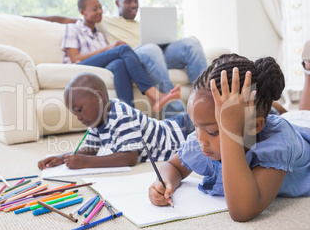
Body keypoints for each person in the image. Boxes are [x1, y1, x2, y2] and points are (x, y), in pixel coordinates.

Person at [148, 53, 310, 222]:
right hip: (286, 122)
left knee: (309, 116)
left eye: (214, 131)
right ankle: (280, 107)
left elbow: (243, 211)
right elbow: (174, 166)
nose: (200, 139)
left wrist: (229, 130)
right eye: (196, 126)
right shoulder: (205, 138)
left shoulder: (277, 144)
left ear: (254, 126)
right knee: (295, 115)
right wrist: (165, 181)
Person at [37, 72, 195, 170]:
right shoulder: (96, 120)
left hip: (183, 131)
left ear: (98, 98)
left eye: (79, 109)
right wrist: (63, 157)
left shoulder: (121, 114)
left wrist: (86, 162)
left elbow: (129, 157)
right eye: (74, 113)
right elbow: (92, 149)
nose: (78, 117)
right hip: (179, 128)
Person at [97, 0, 208, 117]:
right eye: (128, 1)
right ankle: (177, 116)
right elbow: (74, 18)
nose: (133, 5)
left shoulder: (142, 23)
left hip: (157, 55)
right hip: (133, 58)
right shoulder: (105, 21)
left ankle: (206, 104)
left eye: (136, 1)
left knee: (192, 43)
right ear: (117, 3)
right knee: (151, 48)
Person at [63, 0, 180, 113]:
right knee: (123, 49)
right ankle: (154, 95)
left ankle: (128, 116)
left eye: (100, 8)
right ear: (82, 12)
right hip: (80, 66)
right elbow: (75, 58)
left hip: (98, 67)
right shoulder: (72, 28)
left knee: (119, 64)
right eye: (95, 9)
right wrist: (108, 48)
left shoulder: (100, 34)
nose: (100, 11)